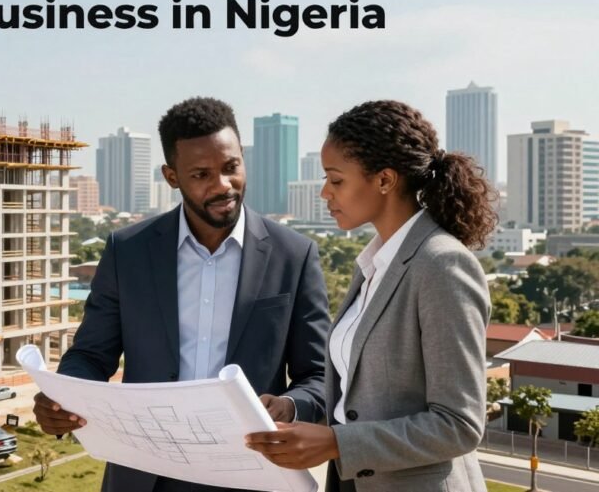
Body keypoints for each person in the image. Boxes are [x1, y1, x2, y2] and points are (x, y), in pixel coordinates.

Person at [33, 97, 331, 492]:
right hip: (142, 476)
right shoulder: (128, 251)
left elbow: (319, 375)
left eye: (231, 167)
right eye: (202, 174)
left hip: (251, 474)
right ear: (171, 177)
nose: (223, 185)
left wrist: (291, 405)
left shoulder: (294, 255)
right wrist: (61, 398)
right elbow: (90, 355)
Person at [245, 100, 495, 491]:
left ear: (384, 180)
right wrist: (293, 408)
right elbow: (361, 399)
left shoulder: (442, 265)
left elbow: (458, 425)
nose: (324, 192)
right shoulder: (373, 264)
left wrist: (336, 443)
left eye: (336, 180)